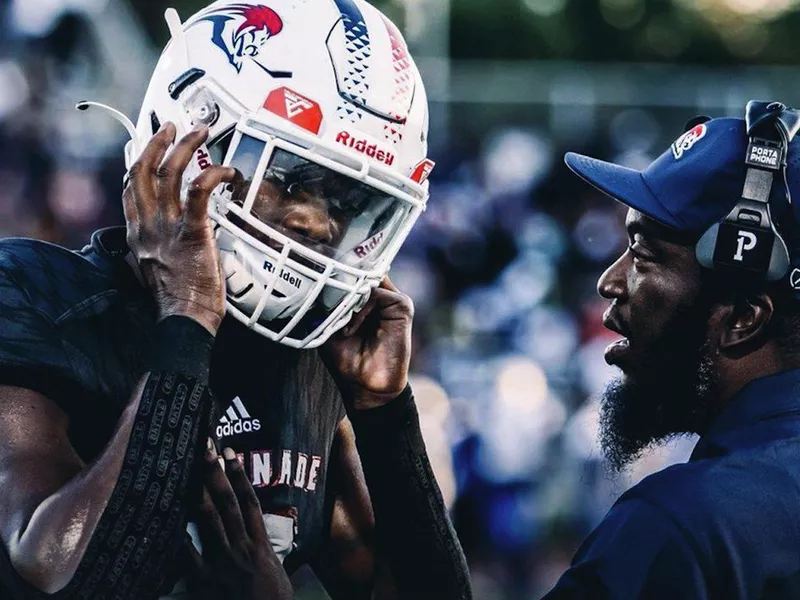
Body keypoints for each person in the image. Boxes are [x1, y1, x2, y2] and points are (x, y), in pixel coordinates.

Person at [0, 1, 471, 599]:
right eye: (291, 176)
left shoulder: (305, 360)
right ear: (185, 146)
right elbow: (70, 581)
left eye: (347, 199)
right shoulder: (32, 291)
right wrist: (189, 317)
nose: (319, 223)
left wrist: (386, 415)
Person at [542, 102, 800, 599]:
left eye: (644, 255)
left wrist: (388, 426)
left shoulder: (678, 527)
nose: (609, 281)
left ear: (744, 317)